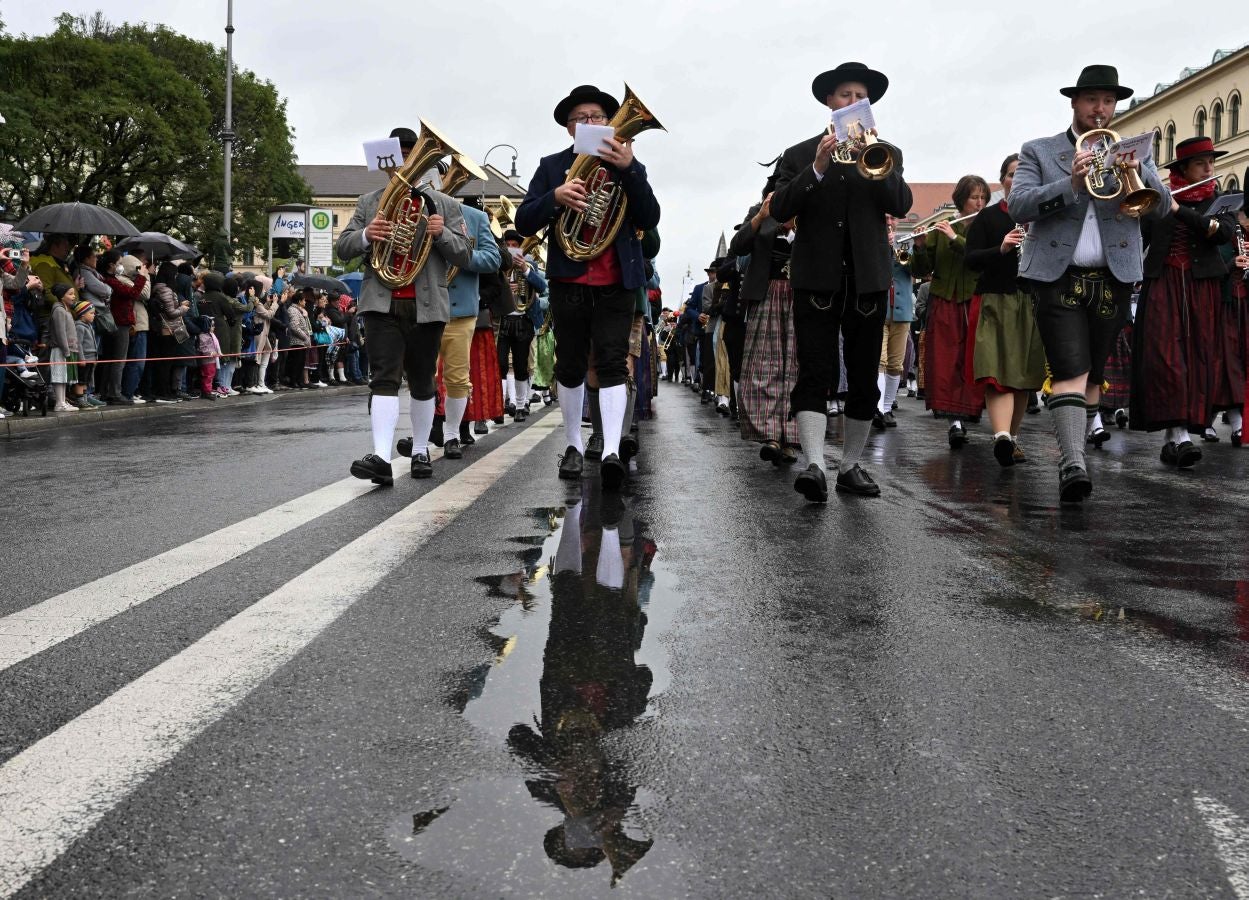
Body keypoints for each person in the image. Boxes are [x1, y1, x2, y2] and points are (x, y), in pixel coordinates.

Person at [1008, 64, 1170, 502]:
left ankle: (1074, 446)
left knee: (1093, 375)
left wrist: (1143, 171)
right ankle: (1072, 464)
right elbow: (1017, 204)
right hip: (1058, 277)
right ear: (1075, 103)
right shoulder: (1039, 151)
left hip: (1114, 276)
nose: (1101, 110)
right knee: (1070, 369)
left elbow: (1161, 210)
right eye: (1092, 100)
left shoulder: (1133, 150)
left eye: (1108, 102)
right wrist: (1071, 183)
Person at [770, 61, 913, 501]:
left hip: (868, 280)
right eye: (845, 96)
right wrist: (816, 168)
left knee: (865, 377)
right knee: (815, 370)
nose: (853, 103)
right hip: (816, 277)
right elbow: (778, 208)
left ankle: (851, 464)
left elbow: (902, 202)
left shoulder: (884, 151)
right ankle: (815, 463)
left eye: (860, 97)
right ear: (829, 103)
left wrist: (879, 163)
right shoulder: (799, 153)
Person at [515, 84, 661, 490]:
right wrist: (556, 197)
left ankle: (612, 448)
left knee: (613, 363)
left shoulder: (626, 163)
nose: (591, 123)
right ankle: (574, 445)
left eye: (598, 117)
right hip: (569, 279)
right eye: (581, 118)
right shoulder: (550, 166)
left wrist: (630, 168)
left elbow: (649, 216)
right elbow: (525, 220)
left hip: (616, 280)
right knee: (572, 364)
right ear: (569, 128)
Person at [338, 125, 472, 484]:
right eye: (399, 156)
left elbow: (465, 254)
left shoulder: (445, 204)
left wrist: (440, 232)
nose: (404, 163)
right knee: (383, 377)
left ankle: (420, 450)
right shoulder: (371, 201)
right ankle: (381, 456)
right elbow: (344, 245)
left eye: (413, 155)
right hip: (381, 302)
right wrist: (368, 235)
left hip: (427, 305)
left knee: (423, 379)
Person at [1130, 136, 1238, 468]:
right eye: (1201, 164)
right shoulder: (1160, 200)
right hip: (1163, 283)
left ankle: (1177, 434)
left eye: (1211, 162)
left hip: (1201, 287)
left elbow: (1222, 234)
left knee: (1198, 356)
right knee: (1166, 356)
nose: (1210, 168)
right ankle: (1179, 434)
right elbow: (1138, 235)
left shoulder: (1220, 202)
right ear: (1184, 170)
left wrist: (1179, 211)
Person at [964, 154, 1047, 465]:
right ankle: (1001, 435)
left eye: (1024, 174)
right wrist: (999, 249)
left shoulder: (1041, 216)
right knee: (997, 372)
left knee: (1023, 376)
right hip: (994, 301)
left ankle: (1011, 438)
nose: (1018, 179)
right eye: (1013, 174)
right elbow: (970, 260)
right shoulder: (988, 218)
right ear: (1003, 180)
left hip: (1029, 301)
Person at [910, 176, 990, 447]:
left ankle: (971, 409)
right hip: (944, 301)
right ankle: (953, 421)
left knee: (971, 360)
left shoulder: (986, 228)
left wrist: (955, 238)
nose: (979, 203)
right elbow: (919, 270)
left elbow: (982, 259)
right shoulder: (938, 228)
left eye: (983, 198)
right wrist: (919, 247)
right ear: (961, 200)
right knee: (944, 360)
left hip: (974, 300)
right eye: (974, 198)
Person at [730, 186, 801, 467]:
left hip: (800, 295)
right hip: (766, 293)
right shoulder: (760, 213)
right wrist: (761, 216)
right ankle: (770, 434)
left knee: (795, 366)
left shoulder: (807, 213)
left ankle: (790, 437)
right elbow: (738, 246)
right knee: (765, 365)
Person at [497, 228, 548, 422]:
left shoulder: (530, 264)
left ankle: (520, 406)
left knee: (520, 366)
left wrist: (525, 271)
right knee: (500, 364)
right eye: (507, 246)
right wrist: (505, 287)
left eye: (514, 246)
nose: (511, 248)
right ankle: (500, 405)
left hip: (523, 320)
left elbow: (542, 287)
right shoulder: (499, 266)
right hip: (503, 320)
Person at [876, 214, 915, 430]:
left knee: (895, 363)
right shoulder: (872, 240)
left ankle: (888, 407)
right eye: (886, 218)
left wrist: (915, 248)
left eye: (893, 219)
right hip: (879, 310)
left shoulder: (906, 242)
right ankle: (879, 408)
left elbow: (917, 270)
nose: (889, 222)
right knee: (879, 361)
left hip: (902, 311)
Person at [47, 283, 80, 412]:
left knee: (64, 377)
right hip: (60, 349)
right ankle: (59, 403)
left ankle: (62, 401)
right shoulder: (59, 310)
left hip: (66, 348)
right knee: (59, 376)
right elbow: (60, 332)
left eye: (74, 293)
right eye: (70, 294)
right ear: (61, 296)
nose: (73, 296)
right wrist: (66, 349)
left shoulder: (65, 309)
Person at [196, 316, 222, 399]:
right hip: (207, 360)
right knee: (208, 376)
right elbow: (202, 348)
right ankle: (207, 392)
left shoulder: (210, 335)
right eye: (212, 325)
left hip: (212, 359)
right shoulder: (203, 336)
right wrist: (211, 352)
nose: (214, 327)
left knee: (211, 375)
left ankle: (208, 390)